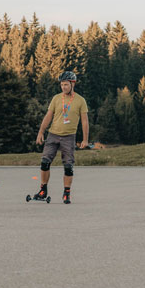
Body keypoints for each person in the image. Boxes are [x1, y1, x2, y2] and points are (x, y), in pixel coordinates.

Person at [34, 70, 90, 204]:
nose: (63, 87)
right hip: (53, 134)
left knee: (68, 166)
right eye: (61, 85)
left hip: (69, 137)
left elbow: (85, 121)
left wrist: (85, 139)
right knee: (45, 162)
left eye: (65, 84)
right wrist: (41, 132)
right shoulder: (56, 98)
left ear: (72, 84)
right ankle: (43, 190)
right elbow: (48, 116)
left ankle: (66, 193)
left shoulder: (80, 101)